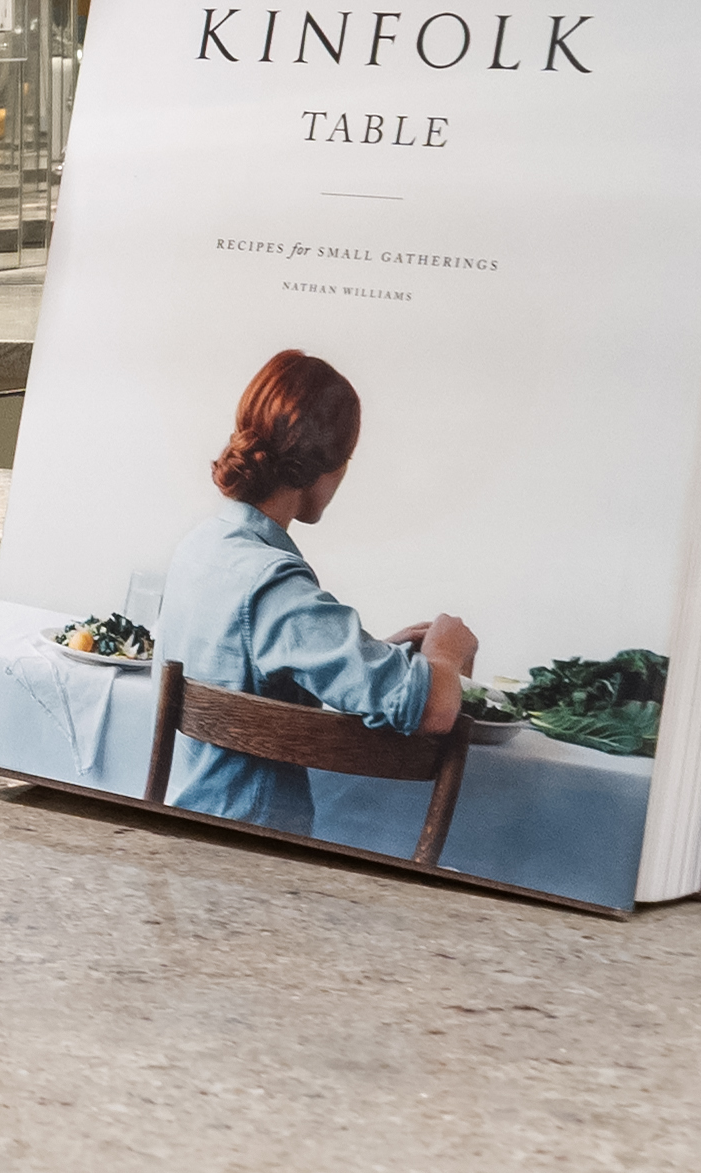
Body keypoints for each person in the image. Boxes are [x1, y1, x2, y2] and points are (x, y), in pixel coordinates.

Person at [152, 348, 475, 835]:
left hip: (184, 820)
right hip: (257, 846)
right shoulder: (273, 582)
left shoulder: (200, 548)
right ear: (326, 467)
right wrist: (446, 653)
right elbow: (435, 708)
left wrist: (373, 654)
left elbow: (253, 667)